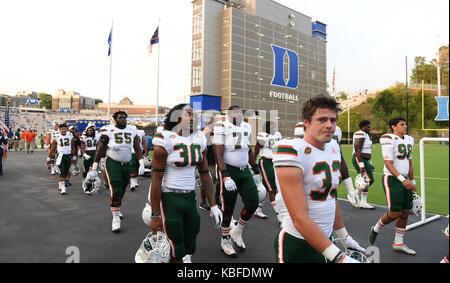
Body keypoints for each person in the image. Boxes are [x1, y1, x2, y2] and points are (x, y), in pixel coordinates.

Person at [273, 95, 363, 263]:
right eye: (322, 120)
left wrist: (343, 236)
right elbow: (299, 218)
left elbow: (329, 196)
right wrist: (340, 258)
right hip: (298, 243)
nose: (329, 125)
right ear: (306, 122)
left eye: (333, 120)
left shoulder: (333, 146)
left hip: (326, 240)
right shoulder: (292, 150)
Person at [149, 103, 222, 263]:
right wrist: (155, 215)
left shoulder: (199, 137)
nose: (193, 117)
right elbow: (156, 179)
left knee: (190, 244)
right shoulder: (165, 138)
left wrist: (214, 205)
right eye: (188, 114)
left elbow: (205, 174)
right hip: (170, 198)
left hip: (190, 197)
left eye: (194, 114)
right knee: (176, 247)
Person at [86, 110, 145, 232]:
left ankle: (116, 207)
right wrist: (94, 167)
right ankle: (116, 217)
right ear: (115, 119)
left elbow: (136, 146)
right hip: (113, 162)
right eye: (120, 117)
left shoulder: (132, 129)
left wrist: (141, 162)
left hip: (127, 163)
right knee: (116, 186)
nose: (123, 119)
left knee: (123, 187)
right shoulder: (108, 129)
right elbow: (100, 148)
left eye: (124, 117)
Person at [213, 105, 260, 257]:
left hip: (244, 170)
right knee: (228, 210)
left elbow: (249, 149)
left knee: (253, 201)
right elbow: (218, 154)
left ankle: (237, 231)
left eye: (240, 112)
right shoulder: (221, 126)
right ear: (228, 115)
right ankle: (225, 240)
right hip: (229, 169)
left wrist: (255, 167)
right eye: (235, 112)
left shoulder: (247, 126)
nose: (238, 115)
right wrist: (225, 174)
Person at [368, 117, 417, 255]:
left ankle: (398, 242)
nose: (405, 126)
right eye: (402, 124)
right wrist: (403, 180)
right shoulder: (388, 139)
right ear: (393, 127)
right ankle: (376, 228)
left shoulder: (409, 140)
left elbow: (410, 163)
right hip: (392, 179)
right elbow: (388, 164)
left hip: (405, 179)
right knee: (396, 212)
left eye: (405, 124)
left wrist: (412, 182)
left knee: (406, 211)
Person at [254, 120, 282, 220]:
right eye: (271, 127)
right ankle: (279, 216)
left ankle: (258, 209)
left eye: (274, 127)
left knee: (267, 186)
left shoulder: (278, 134)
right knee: (272, 188)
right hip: (265, 162)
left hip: (275, 162)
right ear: (266, 128)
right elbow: (256, 150)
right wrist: (253, 165)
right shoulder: (263, 136)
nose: (274, 129)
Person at [333, 124, 360, 208]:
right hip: (307, 189)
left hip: (330, 185)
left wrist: (350, 188)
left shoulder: (337, 129)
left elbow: (340, 158)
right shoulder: (304, 128)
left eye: (333, 119)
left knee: (332, 215)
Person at [46, 124, 77, 195]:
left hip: (68, 156)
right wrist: (49, 158)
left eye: (65, 129)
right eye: (62, 129)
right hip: (61, 156)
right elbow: (53, 149)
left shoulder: (70, 135)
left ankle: (61, 184)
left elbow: (72, 147)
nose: (64, 130)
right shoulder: (56, 136)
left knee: (66, 171)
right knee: (61, 172)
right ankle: (63, 188)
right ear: (60, 130)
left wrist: (74, 157)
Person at [352, 120, 374, 209]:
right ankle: (354, 195)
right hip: (359, 159)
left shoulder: (366, 135)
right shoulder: (359, 134)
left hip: (365, 160)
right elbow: (358, 151)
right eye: (368, 127)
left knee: (367, 181)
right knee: (368, 180)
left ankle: (361, 200)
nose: (370, 128)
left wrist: (370, 163)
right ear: (363, 127)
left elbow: (367, 151)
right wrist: (361, 165)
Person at [199, 116, 218, 211]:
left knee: (217, 182)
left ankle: (216, 199)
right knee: (205, 183)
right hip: (208, 162)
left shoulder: (216, 133)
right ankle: (203, 202)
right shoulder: (205, 134)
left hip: (216, 162)